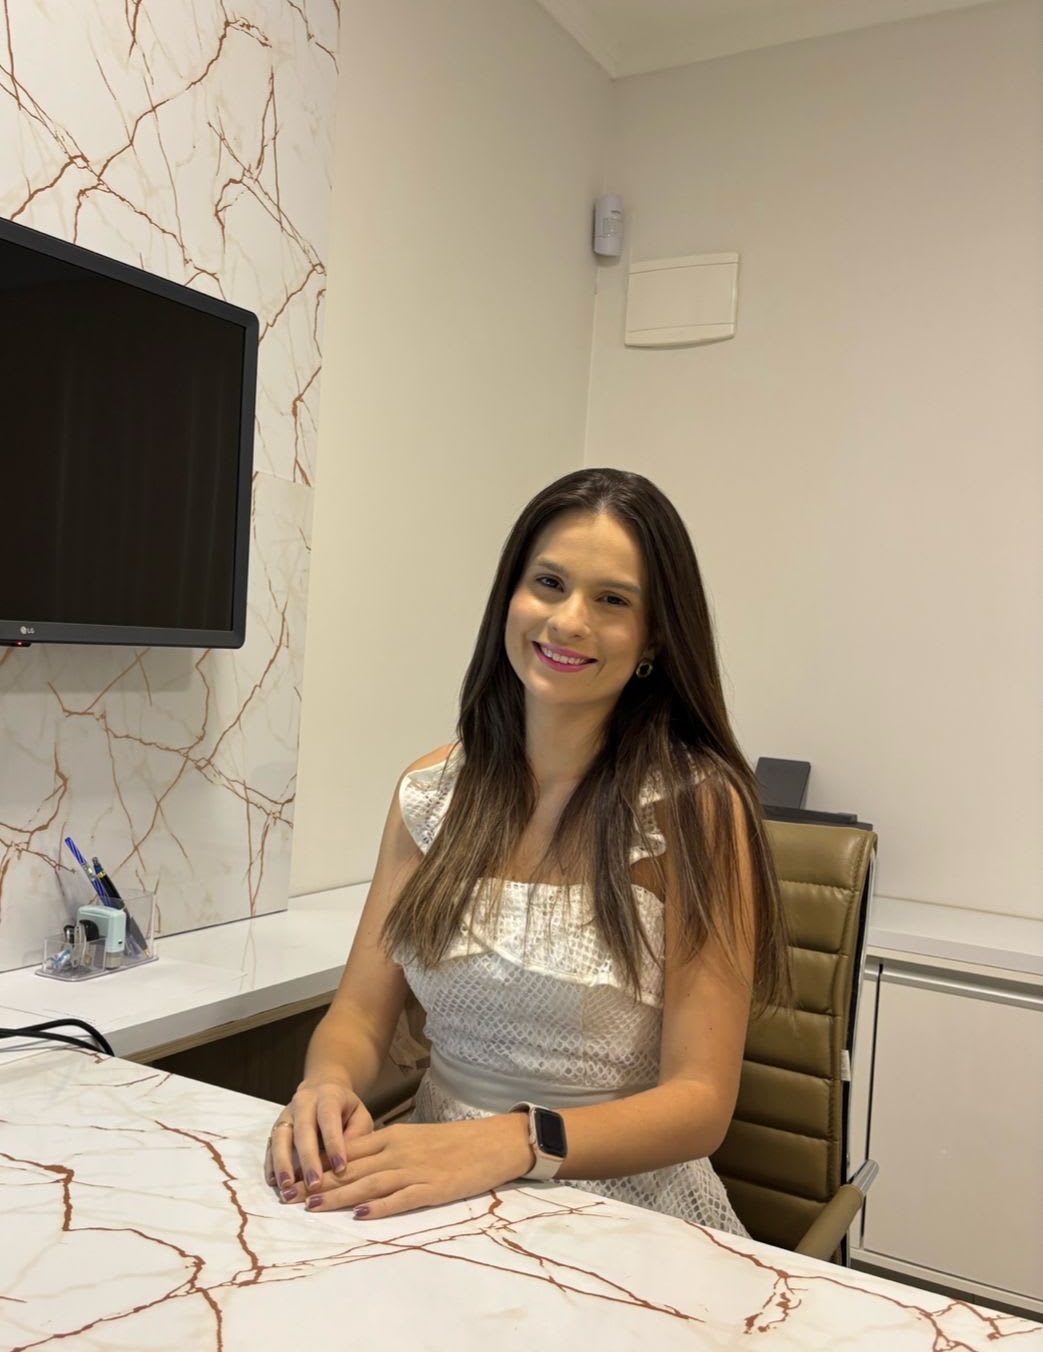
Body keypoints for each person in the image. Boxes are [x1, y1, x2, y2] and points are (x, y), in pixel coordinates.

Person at [265, 467, 791, 1231]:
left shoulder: (698, 808)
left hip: (619, 1203)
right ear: (510, 596)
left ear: (653, 637)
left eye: (611, 600)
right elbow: (359, 1015)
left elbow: (699, 1104)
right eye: (549, 583)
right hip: (431, 1182)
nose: (568, 620)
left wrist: (510, 1143)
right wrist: (327, 1082)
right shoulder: (430, 792)